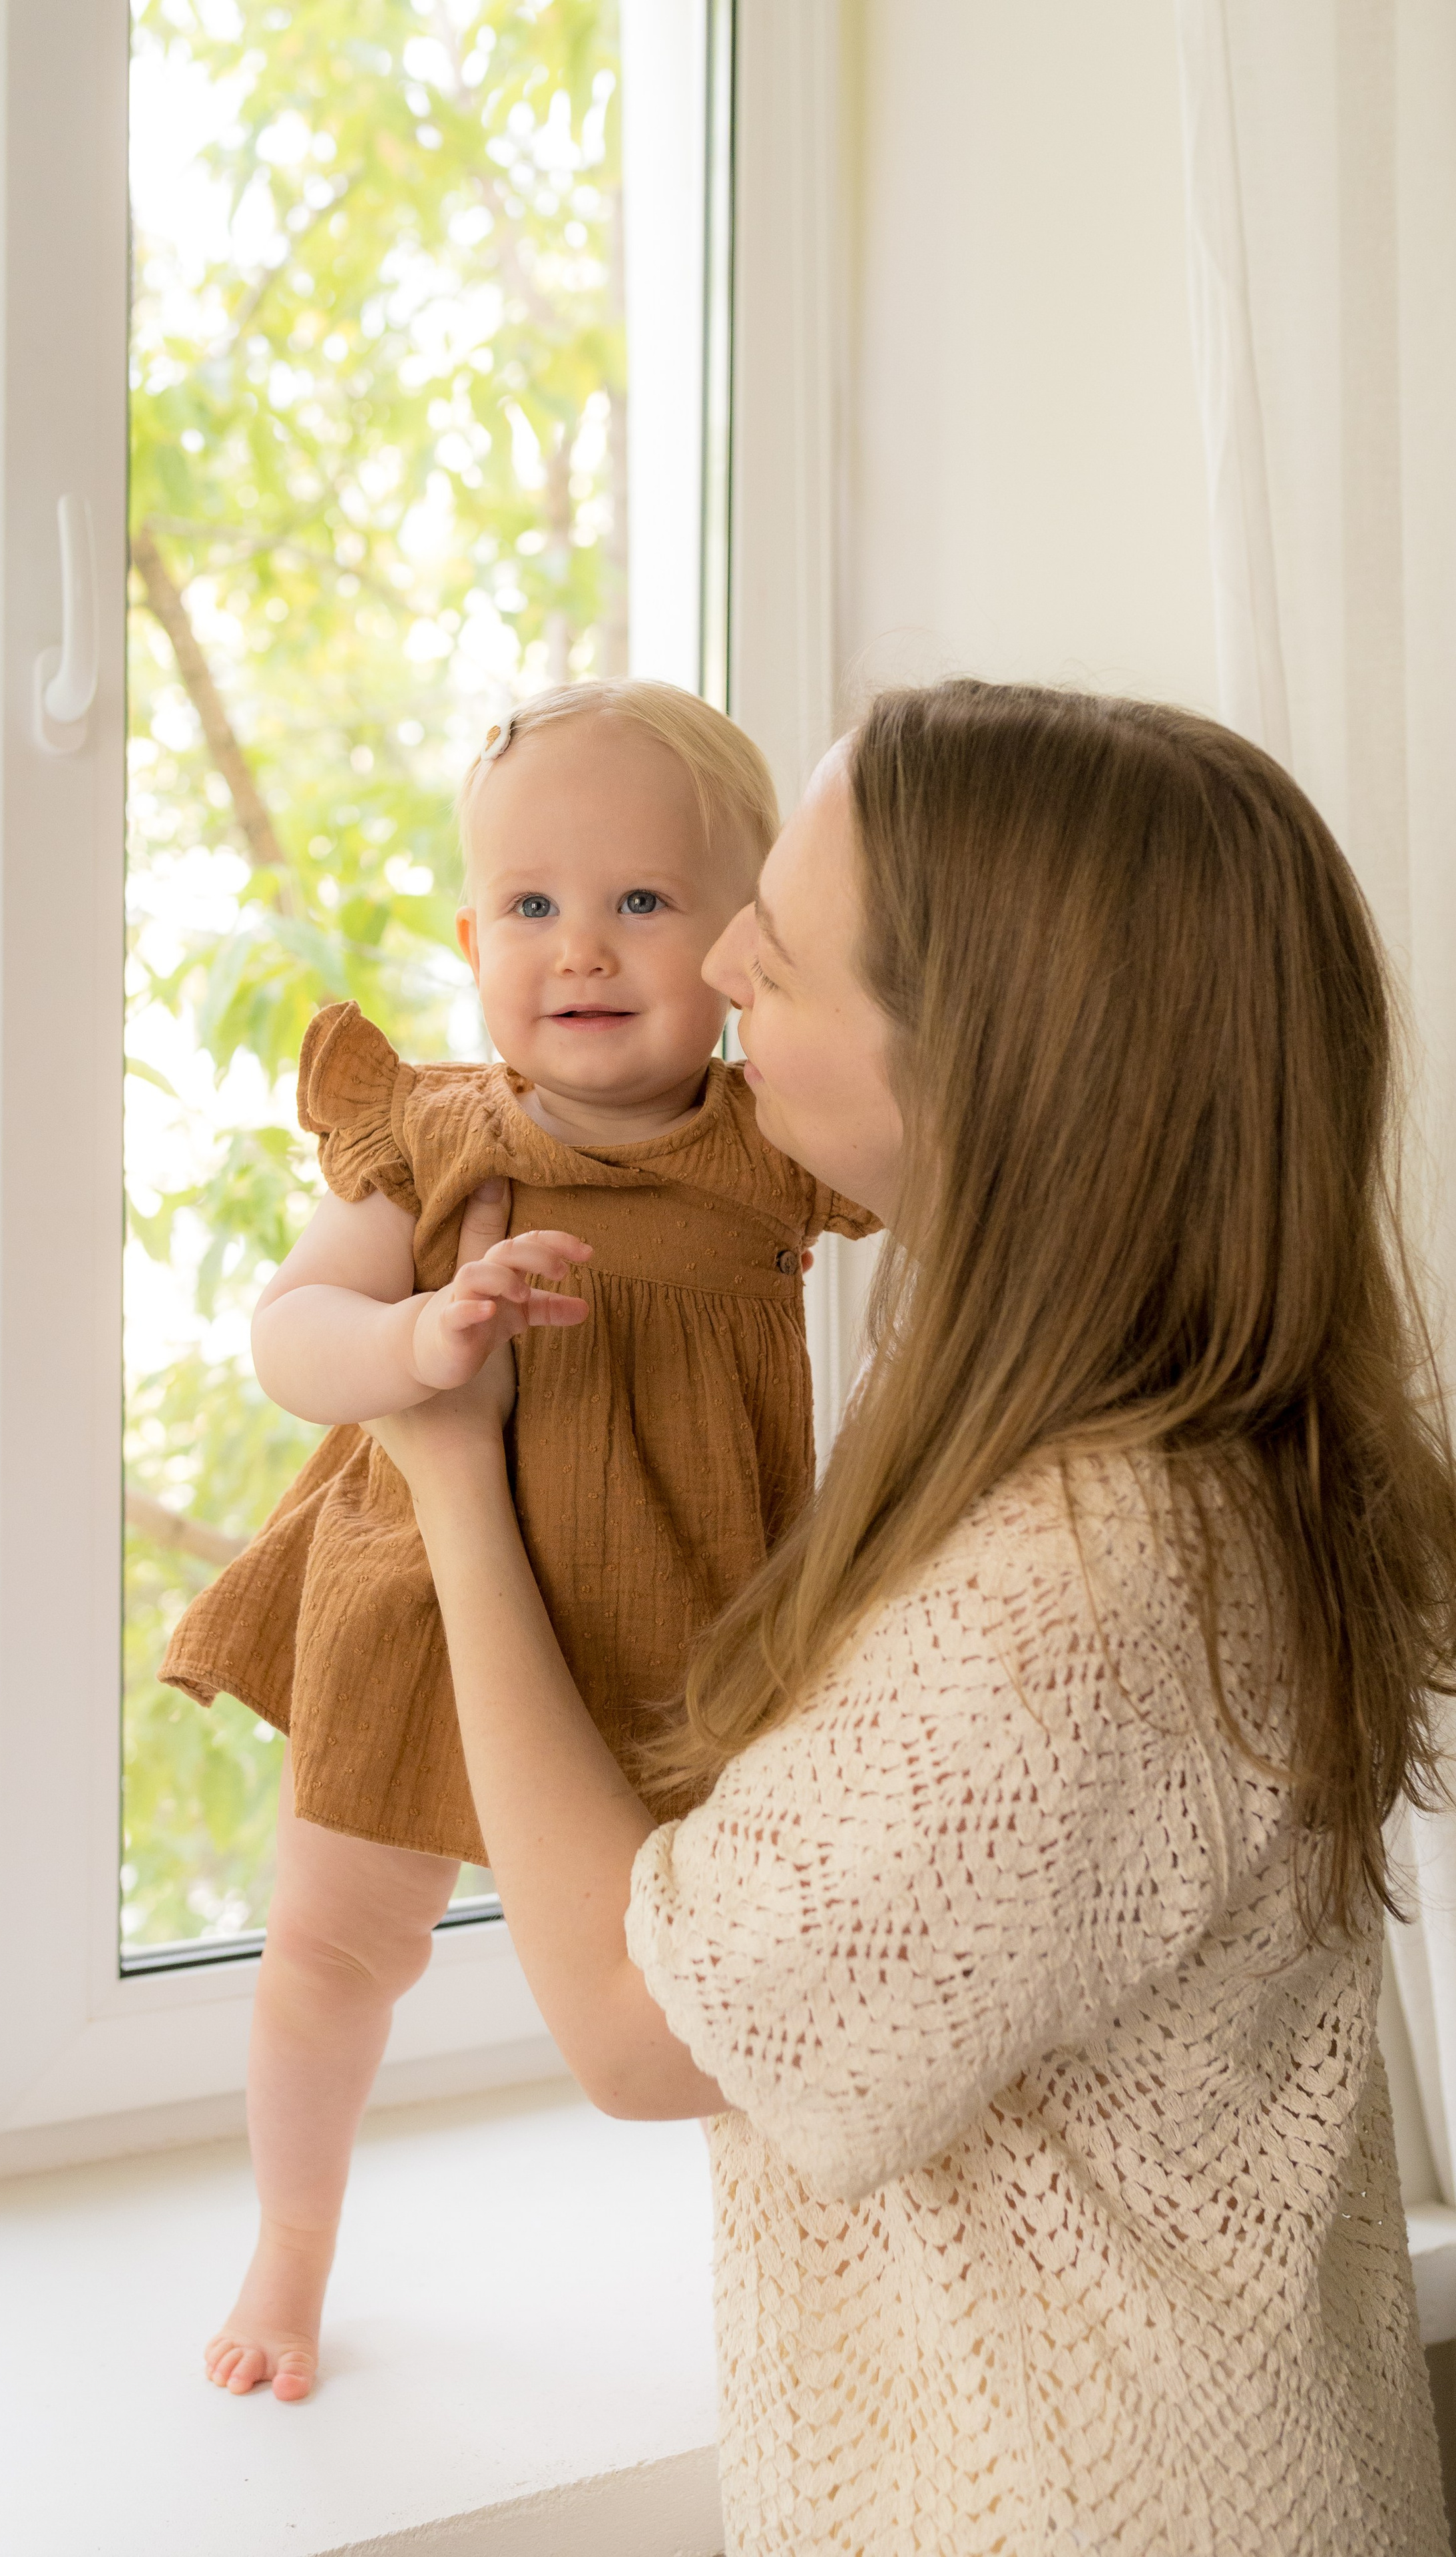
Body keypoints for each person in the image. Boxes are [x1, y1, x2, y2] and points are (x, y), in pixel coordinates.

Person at [367, 681, 1456, 2554]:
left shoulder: (1086, 1587)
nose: (711, 964)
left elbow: (645, 2031)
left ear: (986, 1065)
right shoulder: (1155, 1429)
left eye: (777, 958)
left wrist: (452, 1485)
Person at [165, 678, 877, 2401]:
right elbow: (288, 1331)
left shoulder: (771, 1148)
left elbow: (969, 1160)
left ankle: (798, 2256)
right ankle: (294, 2239)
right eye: (533, 907)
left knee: (726, 1963)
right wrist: (411, 1345)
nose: (584, 948)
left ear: (733, 946)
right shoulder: (430, 1133)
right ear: (475, 932)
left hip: (683, 1614)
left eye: (643, 901)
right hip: (416, 1606)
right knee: (335, 1947)